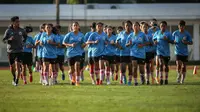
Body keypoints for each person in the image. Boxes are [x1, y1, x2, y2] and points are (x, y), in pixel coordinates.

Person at [2, 16, 27, 86]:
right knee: (12, 67)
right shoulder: (8, 31)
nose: (18, 23)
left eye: (19, 21)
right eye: (16, 22)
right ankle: (14, 77)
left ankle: (16, 81)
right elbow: (3, 40)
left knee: (17, 66)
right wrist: (9, 39)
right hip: (11, 51)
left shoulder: (22, 30)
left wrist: (23, 42)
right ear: (13, 22)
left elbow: (25, 36)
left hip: (19, 50)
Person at [63, 22, 85, 86]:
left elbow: (83, 44)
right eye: (74, 25)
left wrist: (84, 44)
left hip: (78, 53)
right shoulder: (69, 34)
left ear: (79, 27)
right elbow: (64, 43)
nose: (75, 26)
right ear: (72, 27)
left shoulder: (81, 35)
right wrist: (70, 45)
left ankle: (77, 82)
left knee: (77, 66)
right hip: (70, 54)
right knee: (72, 70)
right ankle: (72, 78)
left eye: (76, 25)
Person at [126, 22, 148, 86]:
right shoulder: (130, 35)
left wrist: (142, 45)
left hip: (141, 54)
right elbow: (126, 45)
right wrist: (129, 44)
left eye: (137, 26)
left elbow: (148, 42)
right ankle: (135, 82)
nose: (135, 27)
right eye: (134, 26)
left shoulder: (143, 34)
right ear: (132, 27)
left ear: (139, 27)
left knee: (141, 69)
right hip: (133, 54)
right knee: (134, 67)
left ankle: (142, 78)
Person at [153, 21, 174, 85]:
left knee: (166, 66)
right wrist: (155, 42)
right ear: (160, 26)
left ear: (166, 26)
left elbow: (172, 42)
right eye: (161, 26)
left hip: (166, 53)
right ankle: (161, 79)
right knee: (161, 64)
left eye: (164, 26)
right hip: (159, 52)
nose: (162, 27)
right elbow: (154, 40)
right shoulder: (157, 33)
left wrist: (167, 39)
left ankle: (166, 79)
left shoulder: (168, 33)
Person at [116, 20, 132, 84]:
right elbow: (116, 42)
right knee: (123, 69)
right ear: (124, 26)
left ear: (131, 26)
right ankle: (124, 78)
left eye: (129, 25)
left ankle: (129, 81)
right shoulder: (121, 33)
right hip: (123, 53)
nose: (128, 27)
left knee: (130, 68)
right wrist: (119, 46)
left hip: (131, 53)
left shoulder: (133, 33)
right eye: (126, 25)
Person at [148, 19, 160, 83]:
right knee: (151, 65)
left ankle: (157, 77)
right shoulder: (148, 31)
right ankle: (152, 77)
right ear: (150, 24)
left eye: (155, 23)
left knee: (158, 63)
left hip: (158, 49)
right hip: (151, 50)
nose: (154, 25)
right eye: (152, 24)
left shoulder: (159, 30)